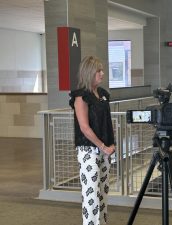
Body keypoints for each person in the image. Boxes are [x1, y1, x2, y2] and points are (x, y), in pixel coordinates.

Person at [69, 56, 115, 225]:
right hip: (89, 150)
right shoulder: (81, 97)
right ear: (89, 73)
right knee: (91, 195)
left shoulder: (102, 94)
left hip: (104, 150)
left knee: (102, 193)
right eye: (98, 71)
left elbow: (107, 122)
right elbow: (85, 128)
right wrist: (102, 146)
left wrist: (111, 144)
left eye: (102, 70)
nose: (102, 73)